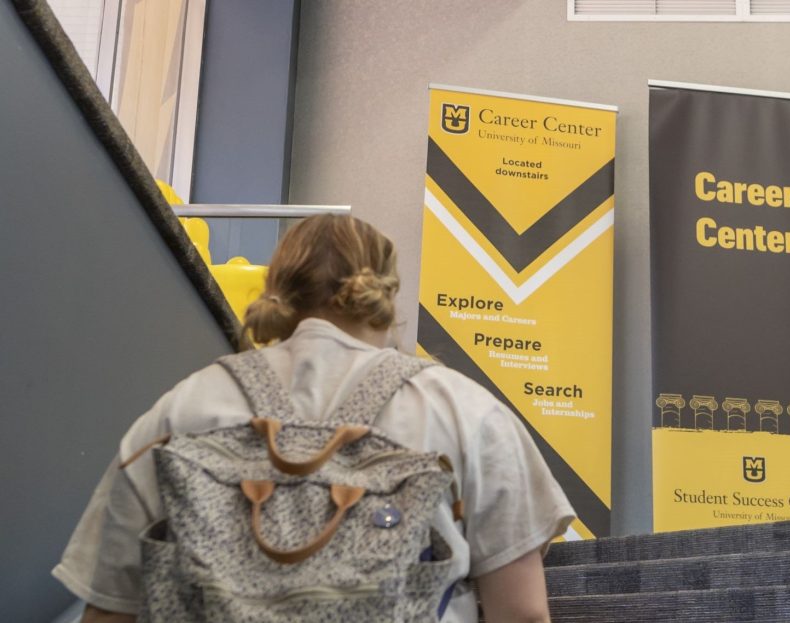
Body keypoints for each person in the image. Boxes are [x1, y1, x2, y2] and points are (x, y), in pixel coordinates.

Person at [53, 213, 575, 623]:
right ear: (388, 298)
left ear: (276, 290)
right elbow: (522, 612)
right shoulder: (465, 411)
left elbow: (108, 607)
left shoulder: (180, 409)